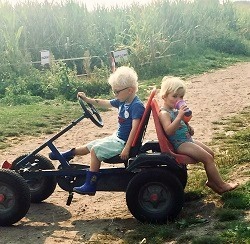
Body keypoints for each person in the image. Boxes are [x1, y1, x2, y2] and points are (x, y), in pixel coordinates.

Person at [49, 66, 145, 195]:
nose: (115, 95)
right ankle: (65, 155)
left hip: (122, 143)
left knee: (96, 150)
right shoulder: (123, 101)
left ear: (129, 90)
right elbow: (104, 103)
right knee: (91, 145)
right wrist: (87, 100)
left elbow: (135, 129)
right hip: (117, 138)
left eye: (117, 92)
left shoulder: (136, 106)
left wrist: (127, 148)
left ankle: (90, 184)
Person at [158, 76, 238, 195]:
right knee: (208, 158)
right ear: (164, 96)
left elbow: (179, 125)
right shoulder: (164, 113)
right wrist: (180, 116)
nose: (178, 99)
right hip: (180, 144)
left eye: (181, 97)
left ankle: (211, 181)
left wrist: (187, 127)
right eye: (174, 96)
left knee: (210, 154)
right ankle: (221, 186)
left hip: (187, 139)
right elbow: (169, 130)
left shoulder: (174, 111)